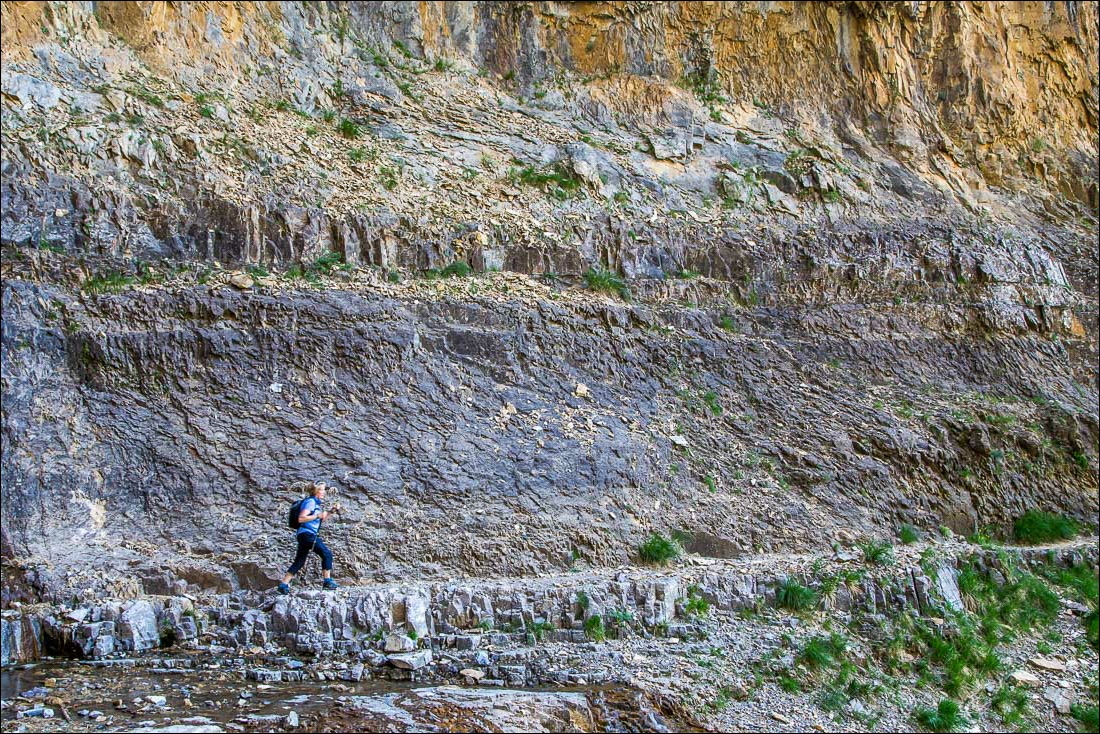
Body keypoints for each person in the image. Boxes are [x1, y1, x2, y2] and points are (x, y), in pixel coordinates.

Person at [277, 482, 341, 593]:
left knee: (299, 561)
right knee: (326, 553)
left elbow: (320, 519)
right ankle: (327, 581)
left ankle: (283, 585)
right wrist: (317, 515)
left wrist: (331, 511)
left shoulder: (315, 504)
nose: (324, 492)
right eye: (322, 490)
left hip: (303, 534)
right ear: (316, 491)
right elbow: (301, 519)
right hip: (307, 534)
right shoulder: (310, 502)